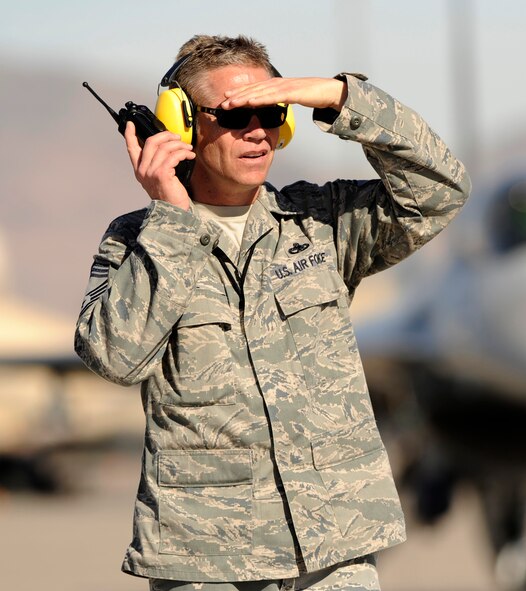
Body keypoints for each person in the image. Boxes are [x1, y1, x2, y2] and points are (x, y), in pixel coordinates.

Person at [74, 34, 470, 591]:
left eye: (271, 109)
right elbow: (114, 357)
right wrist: (171, 221)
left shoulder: (320, 223)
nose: (258, 129)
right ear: (182, 125)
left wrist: (338, 97)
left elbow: (441, 192)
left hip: (335, 544)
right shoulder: (136, 241)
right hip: (206, 557)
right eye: (237, 115)